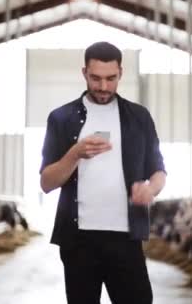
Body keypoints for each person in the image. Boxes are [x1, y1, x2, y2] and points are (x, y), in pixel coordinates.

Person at [39, 41, 166, 304]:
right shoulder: (61, 118)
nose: (104, 87)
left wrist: (150, 189)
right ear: (84, 73)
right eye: (96, 78)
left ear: (121, 72)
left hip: (126, 238)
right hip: (78, 241)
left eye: (111, 78)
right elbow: (46, 182)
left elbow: (158, 170)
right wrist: (75, 153)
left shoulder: (139, 117)